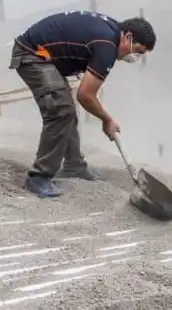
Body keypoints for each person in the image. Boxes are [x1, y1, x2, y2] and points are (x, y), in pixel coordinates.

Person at [10, 10, 155, 198]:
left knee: (66, 109)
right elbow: (85, 95)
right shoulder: (107, 46)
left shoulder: (110, 30)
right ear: (127, 37)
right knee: (61, 110)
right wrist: (107, 120)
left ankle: (74, 166)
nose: (135, 57)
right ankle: (39, 176)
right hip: (32, 54)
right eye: (137, 51)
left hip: (47, 56)